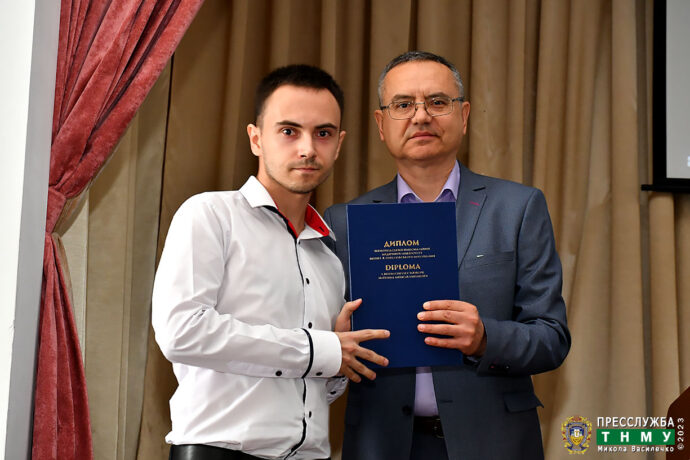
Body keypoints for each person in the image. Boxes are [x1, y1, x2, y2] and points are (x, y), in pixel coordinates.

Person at [323, 51, 571, 460]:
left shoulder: (517, 208)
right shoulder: (345, 221)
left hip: (495, 444)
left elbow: (552, 337)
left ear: (464, 115)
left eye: (437, 102)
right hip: (382, 444)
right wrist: (337, 342)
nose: (421, 116)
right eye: (403, 104)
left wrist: (485, 338)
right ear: (381, 124)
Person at [152, 64, 389, 460]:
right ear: (256, 138)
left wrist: (338, 361)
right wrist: (320, 349)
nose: (307, 149)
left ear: (339, 144)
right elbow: (182, 331)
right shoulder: (210, 215)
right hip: (218, 452)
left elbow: (314, 385)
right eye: (289, 131)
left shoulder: (328, 257)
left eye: (323, 133)